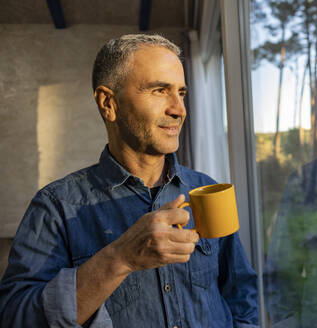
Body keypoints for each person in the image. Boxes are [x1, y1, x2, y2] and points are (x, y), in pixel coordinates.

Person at [0, 34, 258, 328]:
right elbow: (14, 318)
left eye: (181, 93)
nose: (179, 109)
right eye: (160, 90)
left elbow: (241, 296)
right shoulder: (55, 207)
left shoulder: (206, 190)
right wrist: (120, 258)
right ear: (108, 103)